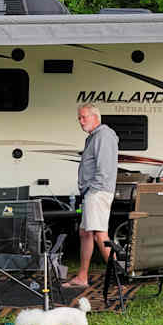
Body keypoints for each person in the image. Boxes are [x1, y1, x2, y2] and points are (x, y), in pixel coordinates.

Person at [66, 103, 118, 289]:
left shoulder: (104, 135)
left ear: (95, 116)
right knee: (85, 233)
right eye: (79, 118)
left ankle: (119, 275)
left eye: (84, 117)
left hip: (97, 192)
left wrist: (91, 190)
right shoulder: (94, 137)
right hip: (92, 192)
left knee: (98, 234)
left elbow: (104, 168)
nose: (80, 121)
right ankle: (82, 276)